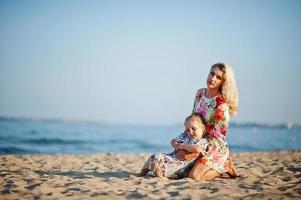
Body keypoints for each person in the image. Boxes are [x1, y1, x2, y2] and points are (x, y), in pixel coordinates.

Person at [185, 62, 239, 181]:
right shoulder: (200, 93)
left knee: (194, 176)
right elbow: (193, 120)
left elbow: (219, 138)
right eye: (212, 73)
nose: (213, 78)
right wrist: (185, 143)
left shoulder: (221, 104)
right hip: (197, 143)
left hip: (215, 148)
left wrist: (200, 149)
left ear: (223, 82)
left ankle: (223, 168)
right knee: (182, 172)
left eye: (218, 77)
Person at [138, 113, 208, 179]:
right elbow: (173, 141)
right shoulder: (184, 136)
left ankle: (159, 175)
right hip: (170, 158)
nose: (190, 132)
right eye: (188, 130)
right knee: (156, 156)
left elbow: (198, 149)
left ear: (203, 128)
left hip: (180, 166)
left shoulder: (203, 141)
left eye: (194, 129)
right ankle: (143, 172)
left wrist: (183, 146)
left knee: (161, 164)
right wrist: (177, 146)